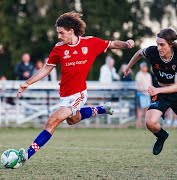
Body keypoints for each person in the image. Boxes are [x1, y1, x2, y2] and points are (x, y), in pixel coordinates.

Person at [16, 12, 134, 166]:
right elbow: (46, 68)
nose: (59, 36)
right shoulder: (58, 49)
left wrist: (126, 43)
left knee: (52, 121)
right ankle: (102, 109)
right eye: (58, 32)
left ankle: (27, 154)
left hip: (79, 94)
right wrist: (28, 83)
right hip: (64, 94)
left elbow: (112, 44)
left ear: (71, 30)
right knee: (72, 120)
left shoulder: (90, 43)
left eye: (61, 32)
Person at [123, 28, 177, 169]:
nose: (159, 47)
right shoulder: (152, 52)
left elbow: (176, 87)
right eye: (157, 44)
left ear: (171, 45)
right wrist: (128, 67)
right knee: (150, 122)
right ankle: (162, 136)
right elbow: (139, 53)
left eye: (162, 44)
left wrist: (157, 89)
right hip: (162, 92)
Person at [135, 62, 152, 128]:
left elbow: (150, 84)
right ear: (141, 67)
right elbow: (139, 85)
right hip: (141, 94)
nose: (145, 68)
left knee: (146, 110)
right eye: (143, 66)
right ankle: (138, 124)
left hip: (147, 94)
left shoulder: (148, 75)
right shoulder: (139, 75)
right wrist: (144, 90)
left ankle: (145, 124)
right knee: (140, 110)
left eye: (145, 66)